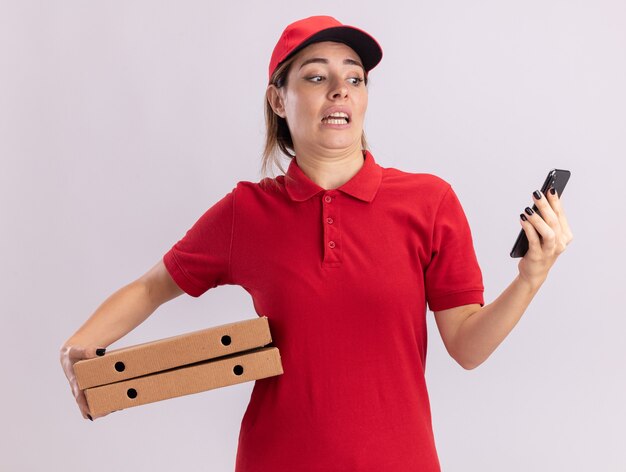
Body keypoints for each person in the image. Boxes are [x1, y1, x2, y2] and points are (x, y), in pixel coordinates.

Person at [60, 15, 573, 471]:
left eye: (354, 77)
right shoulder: (246, 213)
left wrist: (531, 277)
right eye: (315, 76)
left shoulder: (429, 202)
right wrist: (80, 344)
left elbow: (467, 346)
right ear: (277, 98)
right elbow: (154, 286)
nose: (340, 90)